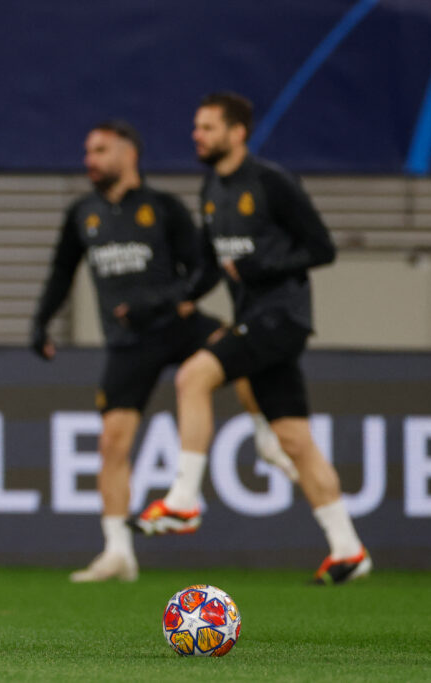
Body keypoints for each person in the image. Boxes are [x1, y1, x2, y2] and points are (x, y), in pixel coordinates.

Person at [30, 121, 294, 583]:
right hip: (128, 341)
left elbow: (204, 270)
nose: (90, 159)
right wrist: (40, 322)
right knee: (112, 443)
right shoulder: (82, 213)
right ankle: (117, 552)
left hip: (176, 325)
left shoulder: (164, 208)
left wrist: (168, 300)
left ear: (129, 153)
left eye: (100, 150)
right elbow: (60, 273)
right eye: (88, 151)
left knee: (244, 345)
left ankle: (264, 436)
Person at [130, 92, 371, 585]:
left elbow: (322, 248)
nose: (197, 135)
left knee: (193, 376)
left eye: (208, 127)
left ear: (238, 132)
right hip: (256, 319)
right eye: (196, 127)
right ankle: (349, 549)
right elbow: (210, 267)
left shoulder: (272, 182)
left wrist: (264, 266)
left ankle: (182, 501)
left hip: (281, 317)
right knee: (294, 441)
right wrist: (174, 299)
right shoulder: (211, 189)